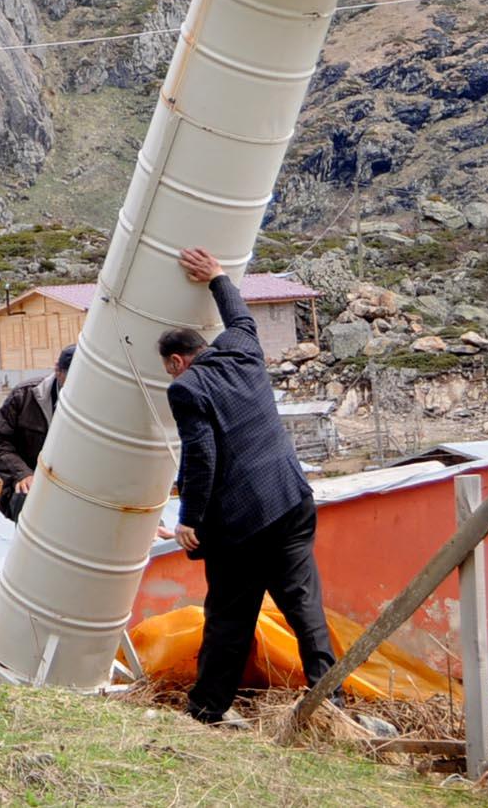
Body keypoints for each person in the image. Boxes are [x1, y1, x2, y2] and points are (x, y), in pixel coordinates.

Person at [159, 248, 334, 726]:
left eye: (169, 368)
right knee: (304, 606)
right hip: (292, 501)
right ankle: (330, 701)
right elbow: (237, 313)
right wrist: (217, 276)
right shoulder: (242, 346)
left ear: (177, 361)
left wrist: (189, 518)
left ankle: (208, 708)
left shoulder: (186, 388)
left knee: (229, 620)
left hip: (241, 526)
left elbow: (202, 456)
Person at [0, 343, 72, 520]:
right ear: (58, 371)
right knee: (26, 499)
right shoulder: (25, 396)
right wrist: (22, 474)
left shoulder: (101, 404)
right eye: (72, 379)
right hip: (35, 488)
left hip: (78, 490)